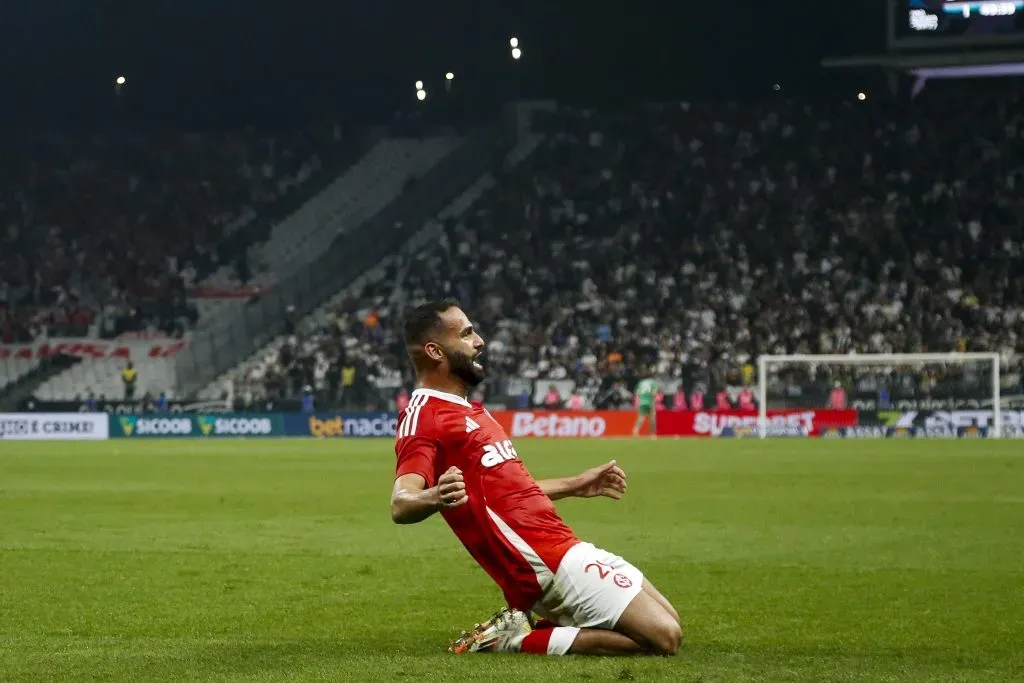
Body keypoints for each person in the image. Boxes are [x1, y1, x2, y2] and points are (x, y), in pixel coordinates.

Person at [391, 300, 682, 657]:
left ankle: (527, 627)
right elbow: (401, 502)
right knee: (665, 638)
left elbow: (507, 493)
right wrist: (436, 495)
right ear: (435, 351)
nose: (479, 341)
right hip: (543, 564)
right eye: (466, 334)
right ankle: (512, 639)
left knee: (670, 620)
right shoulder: (423, 417)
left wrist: (576, 484)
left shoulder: (473, 411)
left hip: (564, 546)